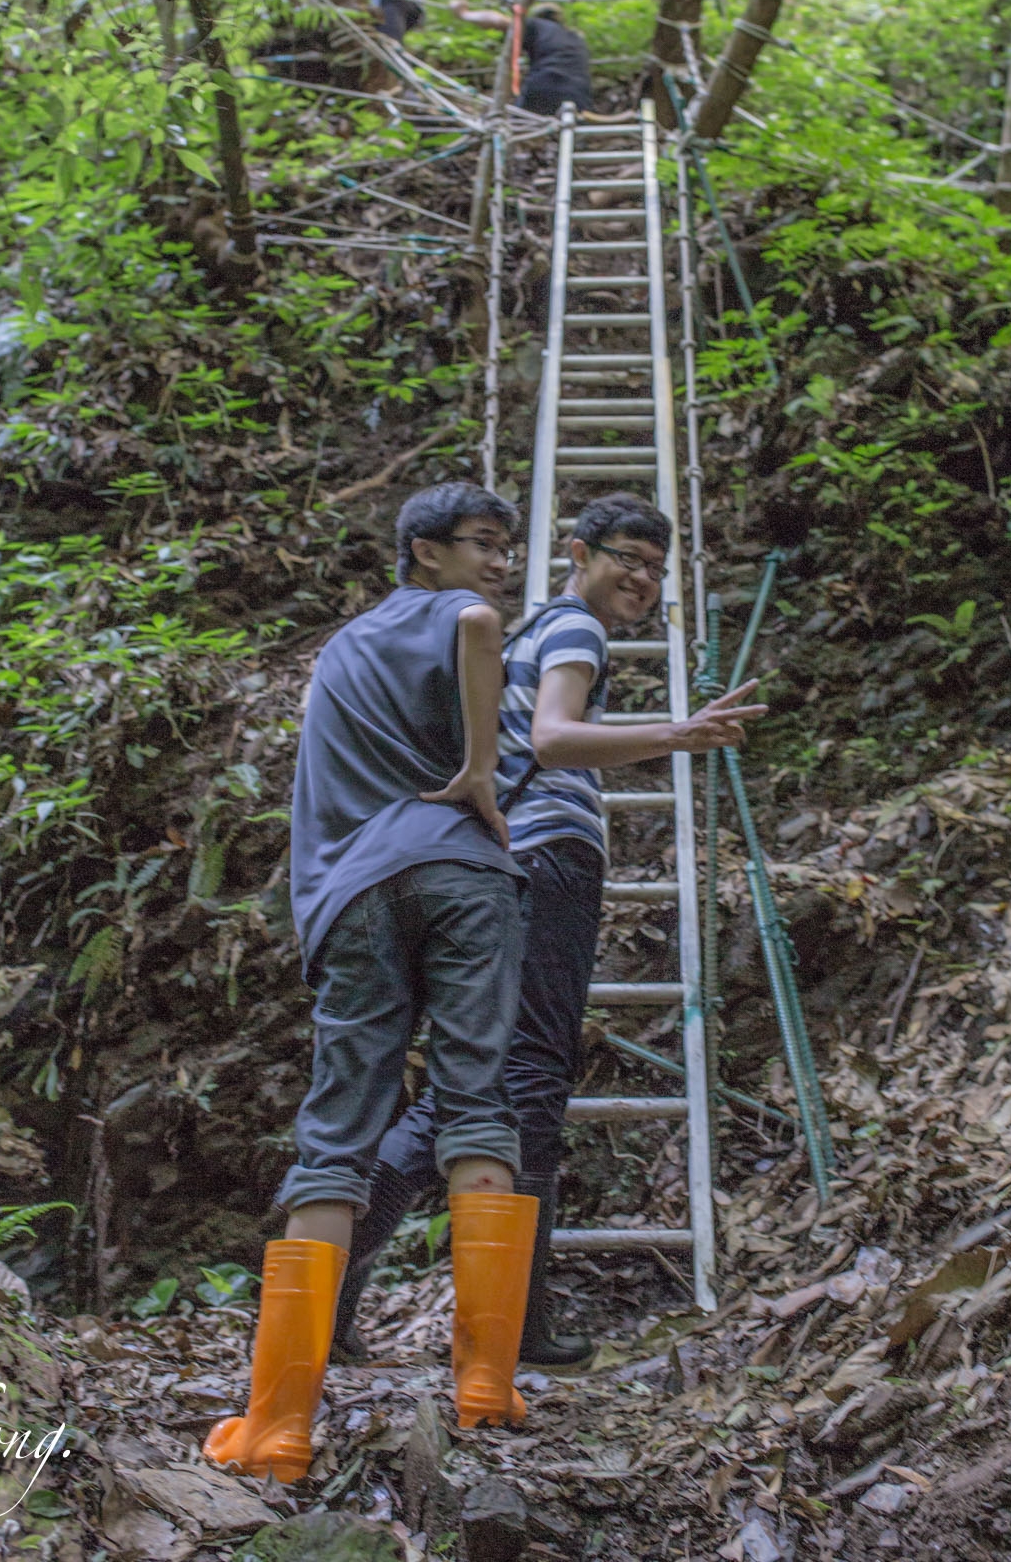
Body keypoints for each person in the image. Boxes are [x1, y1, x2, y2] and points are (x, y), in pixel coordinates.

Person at [331, 492, 766, 1366]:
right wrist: (681, 735)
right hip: (548, 860)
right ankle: (512, 1332)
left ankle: (341, 1280)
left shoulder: (524, 634)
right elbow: (557, 738)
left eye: (654, 567)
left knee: (480, 1087)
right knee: (530, 1079)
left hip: (493, 869)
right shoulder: (573, 632)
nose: (640, 580)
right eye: (625, 560)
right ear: (577, 552)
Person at [204, 483, 538, 1481]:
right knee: (477, 1099)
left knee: (337, 1128)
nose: (499, 564)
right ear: (422, 553)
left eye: (506, 548)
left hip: (353, 892)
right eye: (483, 544)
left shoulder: (340, 651)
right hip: (462, 869)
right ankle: (485, 1383)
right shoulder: (454, 610)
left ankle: (278, 1421)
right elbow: (480, 624)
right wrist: (481, 768)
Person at [450, 0, 595, 116]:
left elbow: (499, 21)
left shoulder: (537, 26)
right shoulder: (574, 37)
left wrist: (464, 14)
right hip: (579, 93)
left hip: (546, 84)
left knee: (515, 129)